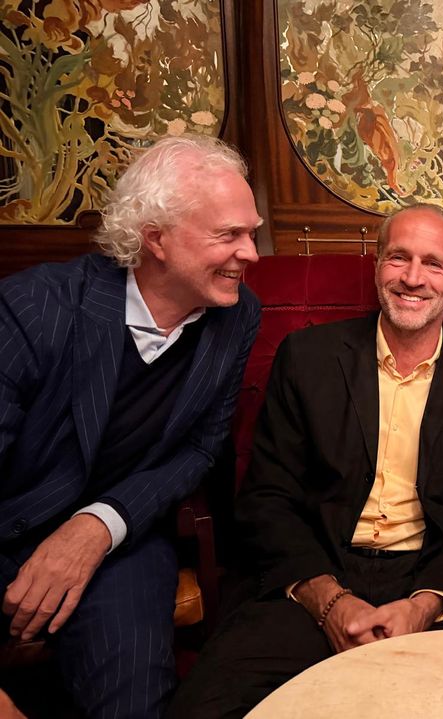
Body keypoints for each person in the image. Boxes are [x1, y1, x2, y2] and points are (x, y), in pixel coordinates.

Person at [169, 204, 443, 718]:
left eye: (433, 263)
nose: (413, 278)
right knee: (203, 708)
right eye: (399, 258)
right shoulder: (307, 357)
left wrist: (424, 607)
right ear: (377, 265)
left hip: (433, 572)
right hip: (318, 569)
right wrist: (329, 601)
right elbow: (267, 499)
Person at [0, 134, 261, 717]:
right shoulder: (34, 309)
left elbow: (201, 448)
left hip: (120, 537)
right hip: (7, 528)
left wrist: (99, 525)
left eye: (252, 232)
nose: (251, 253)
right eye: (229, 235)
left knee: (135, 698)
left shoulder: (237, 313)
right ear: (156, 238)